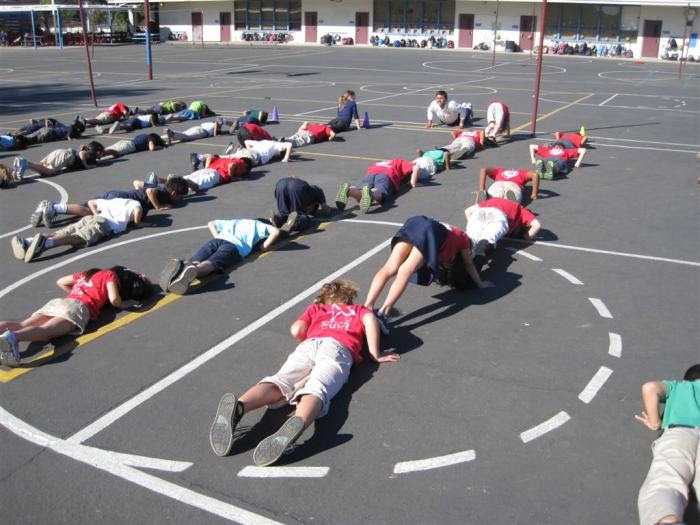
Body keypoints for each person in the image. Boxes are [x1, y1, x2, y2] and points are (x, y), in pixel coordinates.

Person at [208, 279, 400, 465]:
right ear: (349, 299)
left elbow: (296, 329)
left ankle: (240, 406)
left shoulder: (316, 309)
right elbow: (370, 320)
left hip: (309, 345)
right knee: (318, 389)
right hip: (338, 349)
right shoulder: (359, 310)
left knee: (281, 381)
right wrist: (375, 354)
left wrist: (306, 338)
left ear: (325, 298)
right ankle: (298, 421)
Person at [0, 266, 153, 367]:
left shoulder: (89, 273)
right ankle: (13, 338)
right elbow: (114, 299)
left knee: (23, 324)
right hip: (79, 307)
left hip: (62, 301)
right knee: (46, 332)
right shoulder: (110, 275)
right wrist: (125, 304)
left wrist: (77, 294)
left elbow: (61, 282)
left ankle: (10, 333)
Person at [364, 216, 493, 334]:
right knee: (405, 271)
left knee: (389, 268)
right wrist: (480, 283)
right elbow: (468, 263)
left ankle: (367, 308)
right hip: (430, 231)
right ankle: (383, 314)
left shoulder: (452, 233)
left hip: (416, 222)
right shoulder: (463, 240)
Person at [636, 364, 700, 525]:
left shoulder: (680, 387)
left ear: (687, 380)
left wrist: (655, 421)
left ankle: (667, 520)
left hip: (680, 432)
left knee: (666, 479)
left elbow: (650, 387)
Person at [158, 217, 284, 295]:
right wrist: (264, 247)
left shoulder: (239, 221)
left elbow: (211, 223)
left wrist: (216, 236)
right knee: (213, 263)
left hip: (218, 239)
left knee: (194, 259)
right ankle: (195, 271)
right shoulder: (259, 225)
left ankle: (180, 267)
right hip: (234, 246)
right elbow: (276, 231)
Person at [11, 198, 143, 263]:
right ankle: (45, 244)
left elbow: (92, 202)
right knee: (77, 238)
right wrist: (137, 223)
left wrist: (95, 214)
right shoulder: (136, 204)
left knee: (62, 232)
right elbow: (137, 210)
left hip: (93, 217)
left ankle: (27, 242)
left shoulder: (116, 200)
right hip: (104, 224)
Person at [29, 177, 188, 228]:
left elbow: (138, 183)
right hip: (121, 200)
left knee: (88, 207)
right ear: (173, 193)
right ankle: (54, 207)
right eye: (179, 197)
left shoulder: (159, 188)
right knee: (91, 212)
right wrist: (158, 207)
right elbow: (149, 192)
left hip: (120, 195)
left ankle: (52, 208)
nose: (180, 200)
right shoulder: (160, 192)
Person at [464, 197, 542, 267]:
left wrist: (474, 226)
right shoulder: (521, 210)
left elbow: (468, 211)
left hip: (479, 213)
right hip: (498, 217)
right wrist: (527, 236)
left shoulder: (496, 199)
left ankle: (458, 260)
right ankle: (472, 274)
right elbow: (537, 225)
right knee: (485, 243)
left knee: (468, 241)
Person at [335, 158, 428, 213]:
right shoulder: (398, 162)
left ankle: (349, 190)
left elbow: (370, 172)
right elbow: (416, 167)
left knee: (361, 191)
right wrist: (412, 183)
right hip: (386, 176)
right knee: (380, 191)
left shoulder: (377, 163)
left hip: (371, 174)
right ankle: (371, 193)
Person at [134, 156, 252, 193]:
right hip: (216, 175)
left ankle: (159, 180)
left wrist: (207, 167)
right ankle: (165, 184)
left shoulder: (225, 159)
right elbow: (232, 167)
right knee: (195, 187)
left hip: (208, 170)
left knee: (183, 181)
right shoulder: (240, 162)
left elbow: (210, 156)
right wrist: (232, 177)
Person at [268, 177, 332, 233]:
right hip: (297, 187)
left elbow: (277, 196)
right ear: (313, 204)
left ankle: (277, 219)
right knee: (303, 218)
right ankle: (294, 223)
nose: (308, 212)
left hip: (280, 184)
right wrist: (327, 208)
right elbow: (325, 207)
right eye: (309, 211)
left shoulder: (307, 194)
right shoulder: (315, 192)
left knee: (283, 213)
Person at [10, 141, 104, 179]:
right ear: (97, 151)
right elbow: (82, 154)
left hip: (61, 152)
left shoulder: (90, 155)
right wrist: (86, 166)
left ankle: (19, 167)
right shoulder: (89, 154)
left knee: (42, 168)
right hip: (66, 156)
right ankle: (24, 163)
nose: (101, 155)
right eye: (101, 153)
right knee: (49, 171)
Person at [475, 167, 539, 204]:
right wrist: (534, 194)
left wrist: (481, 189)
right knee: (513, 199)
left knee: (493, 199)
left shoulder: (499, 170)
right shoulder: (522, 173)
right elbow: (535, 175)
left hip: (498, 184)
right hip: (514, 186)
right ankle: (510, 205)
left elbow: (483, 170)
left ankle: (486, 198)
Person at [101, 133, 167, 159]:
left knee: (107, 149)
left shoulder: (144, 135)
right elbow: (151, 148)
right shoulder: (150, 138)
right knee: (113, 152)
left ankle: (96, 153)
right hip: (130, 146)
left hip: (124, 142)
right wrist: (160, 147)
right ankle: (97, 155)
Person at [96, 113, 160, 135]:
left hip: (134, 120)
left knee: (122, 125)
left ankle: (103, 130)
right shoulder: (151, 117)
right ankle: (118, 127)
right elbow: (152, 117)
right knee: (127, 127)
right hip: (137, 121)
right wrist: (154, 125)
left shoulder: (147, 117)